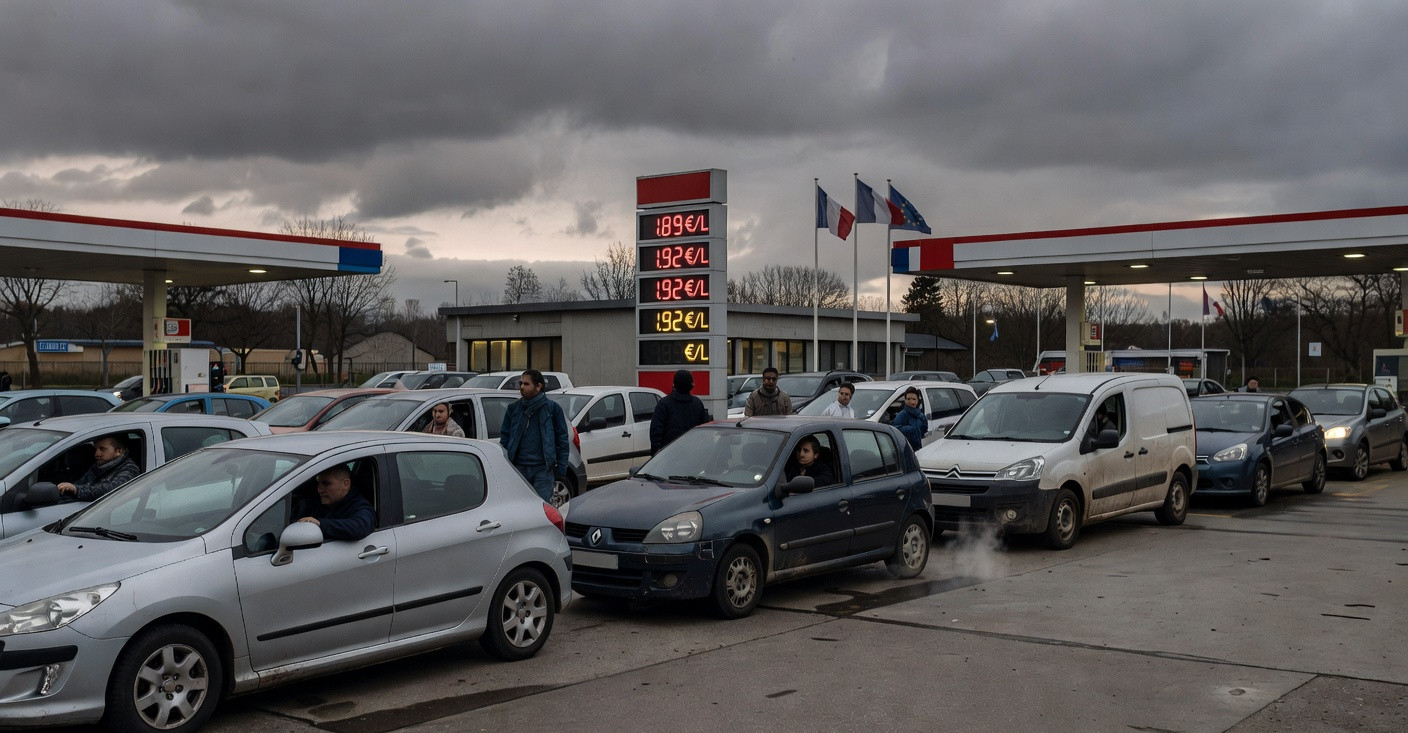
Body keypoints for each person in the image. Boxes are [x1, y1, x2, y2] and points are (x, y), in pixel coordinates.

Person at [500, 369, 571, 503]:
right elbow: (505, 438)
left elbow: (562, 440)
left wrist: (561, 470)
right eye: (521, 383)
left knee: (541, 508)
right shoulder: (514, 409)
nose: (521, 387)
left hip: (542, 471)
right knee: (519, 507)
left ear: (538, 387)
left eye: (526, 384)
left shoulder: (553, 409)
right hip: (518, 469)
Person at [297, 466, 374, 541]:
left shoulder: (359, 505)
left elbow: (360, 527)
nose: (319, 490)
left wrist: (320, 524)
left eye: (326, 484)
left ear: (346, 484)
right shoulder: (313, 502)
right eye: (318, 484)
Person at [57, 435, 140, 502]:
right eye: (96, 449)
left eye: (102, 449)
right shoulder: (98, 466)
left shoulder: (130, 469)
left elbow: (112, 490)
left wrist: (77, 490)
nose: (97, 454)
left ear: (119, 451)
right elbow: (80, 483)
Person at [650, 369, 710, 454]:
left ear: (674, 384)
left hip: (668, 455)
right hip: (693, 455)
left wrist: (657, 455)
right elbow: (705, 431)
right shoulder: (697, 404)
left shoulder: (664, 404)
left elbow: (655, 432)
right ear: (691, 385)